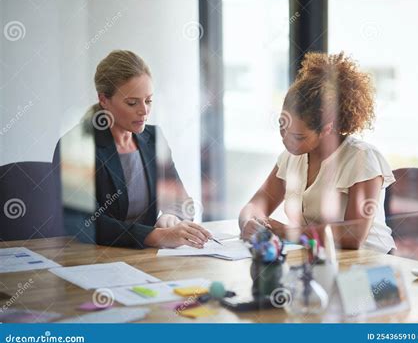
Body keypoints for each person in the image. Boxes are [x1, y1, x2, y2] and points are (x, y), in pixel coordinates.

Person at [239, 52, 396, 253]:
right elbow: (254, 206)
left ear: (326, 129)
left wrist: (287, 232)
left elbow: (354, 235)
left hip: (370, 265)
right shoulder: (290, 158)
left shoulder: (361, 158)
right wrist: (249, 223)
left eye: (298, 137)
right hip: (320, 260)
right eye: (282, 125)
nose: (285, 139)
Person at [55, 50, 211, 249]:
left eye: (148, 100)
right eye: (132, 102)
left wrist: (171, 217)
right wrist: (156, 236)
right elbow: (86, 223)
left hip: (143, 259)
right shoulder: (76, 146)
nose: (144, 111)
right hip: (91, 258)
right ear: (104, 100)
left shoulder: (154, 139)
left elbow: (180, 201)